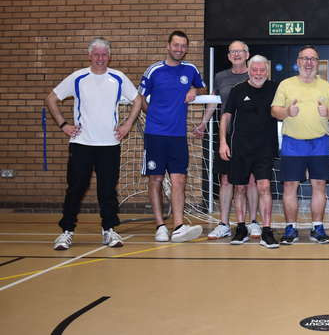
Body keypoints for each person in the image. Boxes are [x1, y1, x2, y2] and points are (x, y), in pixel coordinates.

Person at [47, 38, 142, 250]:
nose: (100, 58)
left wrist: (127, 124)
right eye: (96, 54)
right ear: (90, 56)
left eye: (104, 54)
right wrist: (63, 125)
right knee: (76, 189)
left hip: (109, 145)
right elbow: (51, 99)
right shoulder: (78, 77)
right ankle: (66, 232)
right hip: (81, 143)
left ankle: (109, 230)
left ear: (110, 56)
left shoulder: (118, 78)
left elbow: (137, 100)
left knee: (107, 190)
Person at [139, 30, 205, 242]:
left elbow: (205, 89)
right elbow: (139, 97)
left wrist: (195, 90)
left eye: (183, 46)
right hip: (155, 135)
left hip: (178, 136)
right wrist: (154, 114)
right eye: (176, 45)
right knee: (156, 179)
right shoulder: (154, 70)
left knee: (179, 180)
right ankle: (160, 226)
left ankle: (178, 226)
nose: (179, 49)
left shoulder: (190, 69)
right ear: (168, 46)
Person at [271, 45, 329, 245]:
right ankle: (290, 228)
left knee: (319, 185)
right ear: (298, 61)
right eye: (305, 58)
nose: (309, 62)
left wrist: (327, 112)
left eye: (313, 59)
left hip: (320, 142)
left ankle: (317, 227)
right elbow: (274, 111)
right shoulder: (286, 84)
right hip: (293, 142)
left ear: (317, 63)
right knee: (290, 186)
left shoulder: (326, 86)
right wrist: (287, 112)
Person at [196, 41, 263, 240]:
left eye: (240, 51)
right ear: (228, 55)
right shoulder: (220, 77)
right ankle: (224, 223)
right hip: (227, 135)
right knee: (225, 180)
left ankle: (253, 223)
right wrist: (203, 124)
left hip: (250, 136)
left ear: (247, 54)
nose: (236, 54)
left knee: (251, 180)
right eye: (232, 51)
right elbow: (213, 103)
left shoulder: (255, 74)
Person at [219, 55, 280, 248]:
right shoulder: (237, 90)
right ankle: (241, 228)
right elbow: (226, 117)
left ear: (267, 71)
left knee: (264, 187)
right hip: (240, 148)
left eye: (262, 70)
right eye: (255, 70)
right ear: (249, 70)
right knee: (240, 188)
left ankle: (267, 231)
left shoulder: (275, 88)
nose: (259, 73)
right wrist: (222, 142)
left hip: (265, 148)